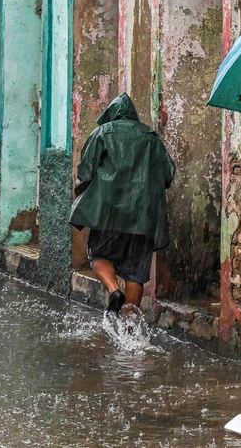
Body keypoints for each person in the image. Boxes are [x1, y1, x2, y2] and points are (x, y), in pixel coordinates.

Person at [69, 94, 175, 315]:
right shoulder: (150, 136)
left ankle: (114, 290)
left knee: (98, 255)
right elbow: (167, 173)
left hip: (108, 213)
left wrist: (87, 199)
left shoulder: (102, 133)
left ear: (111, 115)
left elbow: (85, 171)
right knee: (135, 273)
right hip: (143, 218)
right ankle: (129, 327)